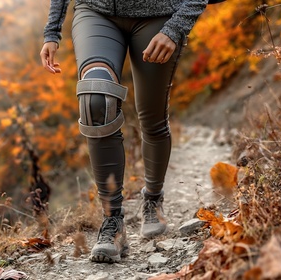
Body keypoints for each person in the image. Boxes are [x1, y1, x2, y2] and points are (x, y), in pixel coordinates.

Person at [40, 0, 208, 263]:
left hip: (158, 15)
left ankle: (153, 198)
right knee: (95, 100)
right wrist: (52, 31)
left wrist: (176, 28)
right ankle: (113, 221)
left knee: (152, 118)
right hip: (96, 12)